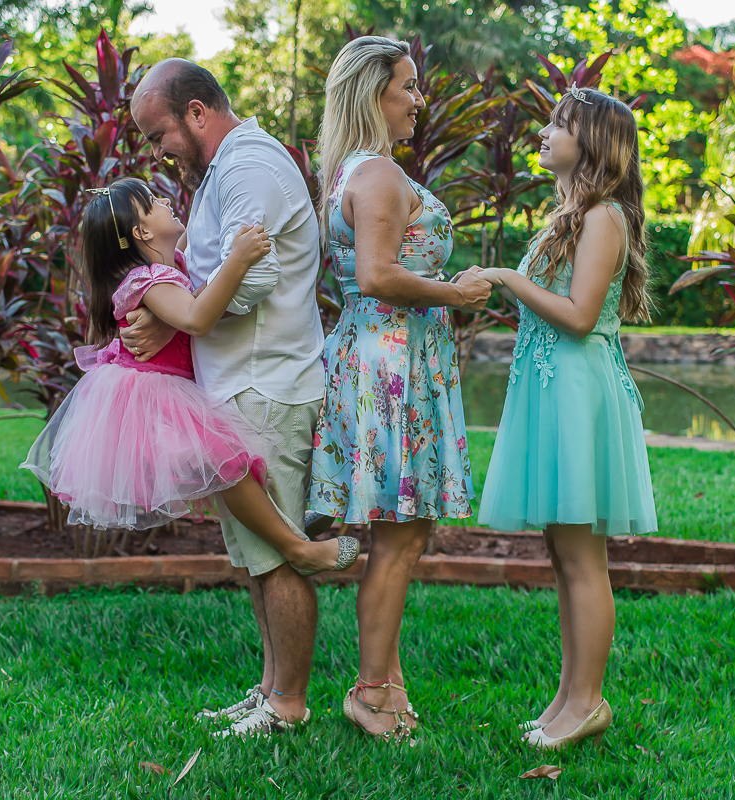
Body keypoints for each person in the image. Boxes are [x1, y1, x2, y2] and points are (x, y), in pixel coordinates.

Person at [124, 60, 331, 737]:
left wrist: (182, 319)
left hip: (266, 384)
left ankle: (288, 703)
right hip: (238, 385)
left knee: (277, 550)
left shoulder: (248, 166)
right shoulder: (223, 171)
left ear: (196, 113)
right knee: (254, 555)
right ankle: (270, 687)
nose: (159, 152)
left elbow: (254, 276)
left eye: (159, 135)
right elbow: (216, 271)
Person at [19, 178, 357, 579]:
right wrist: (238, 260)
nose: (166, 200)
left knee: (236, 463)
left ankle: (297, 517)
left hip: (169, 390)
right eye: (153, 202)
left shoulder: (170, 264)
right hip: (154, 400)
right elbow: (196, 318)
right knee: (229, 462)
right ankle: (295, 547)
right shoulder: (146, 280)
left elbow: (196, 223)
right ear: (143, 232)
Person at [307, 36, 491, 741]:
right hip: (392, 363)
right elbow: (378, 275)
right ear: (371, 95)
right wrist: (456, 292)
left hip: (382, 356)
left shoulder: (353, 171)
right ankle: (371, 693)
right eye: (407, 87)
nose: (418, 99)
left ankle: (386, 680)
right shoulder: (378, 174)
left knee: (399, 533)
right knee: (401, 538)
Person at [471, 86, 658, 751]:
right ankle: (566, 697)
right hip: (552, 390)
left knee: (582, 559)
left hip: (578, 393)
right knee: (562, 552)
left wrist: (505, 277)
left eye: (560, 123)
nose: (545, 132)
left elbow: (578, 317)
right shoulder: (574, 216)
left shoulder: (604, 216)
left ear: (593, 142)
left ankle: (588, 701)